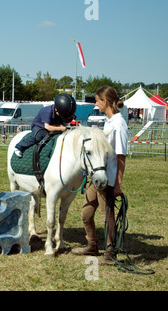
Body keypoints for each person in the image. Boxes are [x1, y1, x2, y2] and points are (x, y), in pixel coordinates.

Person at [72, 85, 129, 265]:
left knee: (108, 217)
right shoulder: (109, 121)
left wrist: (118, 184)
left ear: (105, 101)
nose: (96, 104)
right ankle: (92, 245)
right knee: (86, 213)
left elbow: (121, 157)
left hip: (109, 179)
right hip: (97, 176)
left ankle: (111, 254)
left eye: (97, 101)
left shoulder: (119, 124)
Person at [14, 93, 77, 158]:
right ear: (56, 109)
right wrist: (61, 128)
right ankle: (20, 146)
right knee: (39, 136)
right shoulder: (47, 111)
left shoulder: (60, 111)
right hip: (40, 126)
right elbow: (47, 127)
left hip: (53, 125)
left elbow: (63, 123)